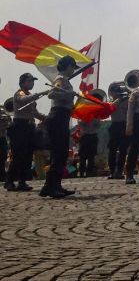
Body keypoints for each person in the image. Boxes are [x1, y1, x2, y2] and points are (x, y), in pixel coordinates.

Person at [40, 56, 78, 199]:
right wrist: (68, 93)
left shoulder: (64, 80)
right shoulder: (60, 79)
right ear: (67, 66)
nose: (73, 69)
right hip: (58, 117)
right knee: (59, 153)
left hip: (62, 116)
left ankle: (53, 185)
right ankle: (51, 186)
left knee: (61, 153)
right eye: (72, 66)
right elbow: (52, 94)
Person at [76, 88, 106, 177]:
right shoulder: (86, 109)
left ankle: (89, 173)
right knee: (82, 157)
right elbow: (80, 123)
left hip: (93, 135)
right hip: (85, 135)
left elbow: (98, 125)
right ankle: (81, 173)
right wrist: (87, 120)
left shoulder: (97, 112)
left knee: (91, 156)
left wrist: (96, 120)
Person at [106, 84, 129, 179]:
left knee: (123, 150)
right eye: (114, 92)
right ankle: (112, 171)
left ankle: (119, 171)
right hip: (115, 125)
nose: (116, 94)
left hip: (124, 125)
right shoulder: (110, 102)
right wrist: (116, 101)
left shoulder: (126, 101)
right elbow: (108, 111)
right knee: (112, 150)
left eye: (117, 92)